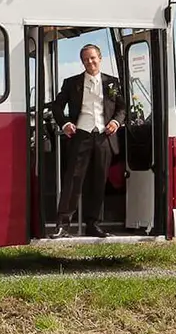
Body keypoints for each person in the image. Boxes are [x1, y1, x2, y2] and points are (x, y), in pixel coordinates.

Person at [49, 43, 124, 238]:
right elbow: (56, 107)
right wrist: (65, 123)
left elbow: (122, 108)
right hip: (80, 135)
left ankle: (94, 224)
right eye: (85, 59)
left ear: (100, 58)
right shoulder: (71, 82)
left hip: (103, 137)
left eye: (92, 58)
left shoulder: (112, 83)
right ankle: (63, 225)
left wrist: (116, 122)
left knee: (99, 181)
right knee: (73, 180)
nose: (89, 62)